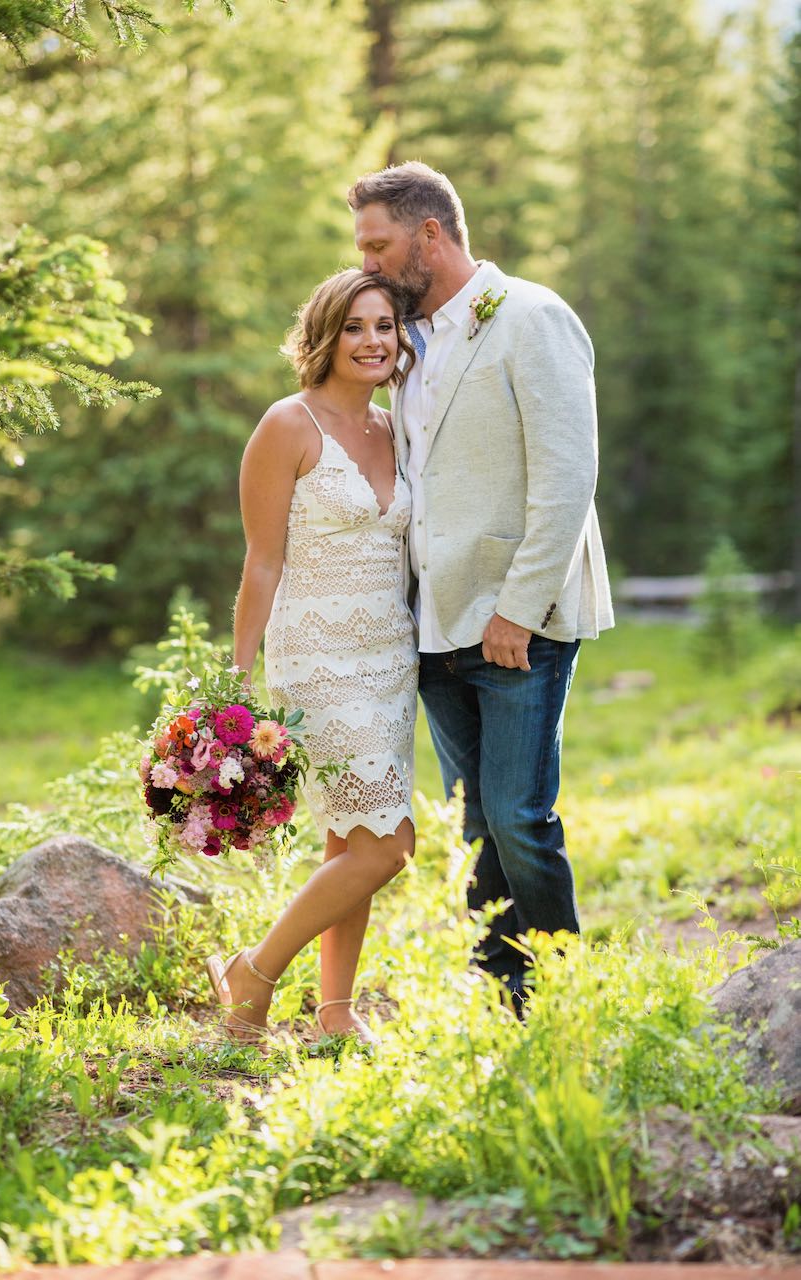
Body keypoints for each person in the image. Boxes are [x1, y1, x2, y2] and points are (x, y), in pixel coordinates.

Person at [348, 161, 614, 1007]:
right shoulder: (407, 344)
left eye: (378, 244)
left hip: (514, 623)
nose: (369, 264)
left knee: (519, 819)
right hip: (434, 626)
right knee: (477, 827)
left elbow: (567, 478)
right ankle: (503, 996)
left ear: (430, 234)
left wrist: (517, 609)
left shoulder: (532, 316)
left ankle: (565, 998)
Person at [206, 268, 418, 1044]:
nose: (372, 342)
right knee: (387, 848)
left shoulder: (400, 427)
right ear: (327, 335)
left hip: (392, 661)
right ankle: (253, 973)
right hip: (317, 661)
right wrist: (237, 676)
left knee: (350, 841)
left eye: (386, 327)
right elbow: (262, 560)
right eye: (356, 327)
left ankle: (334, 1011)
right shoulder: (287, 424)